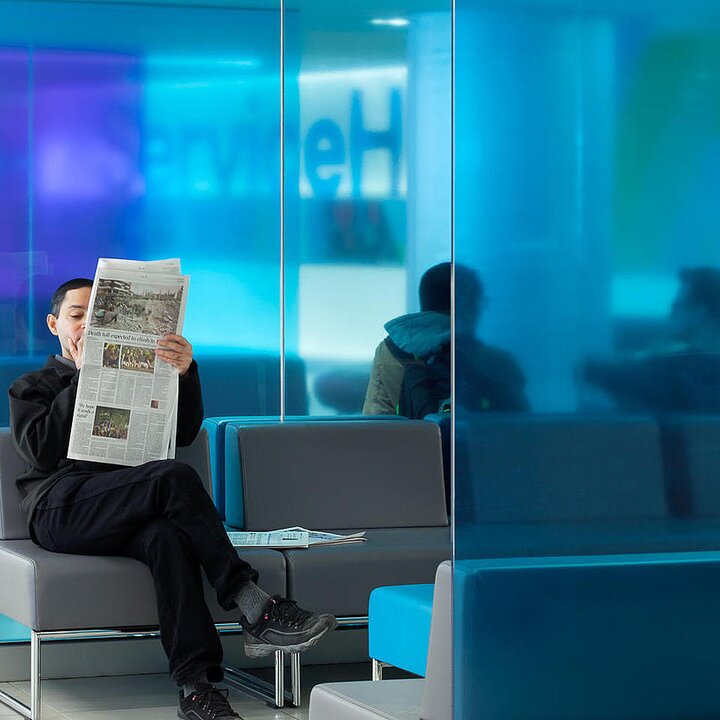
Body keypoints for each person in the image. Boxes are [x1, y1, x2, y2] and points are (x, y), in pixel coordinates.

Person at [8, 278, 336, 720]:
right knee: (173, 478)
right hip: (60, 506)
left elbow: (181, 434)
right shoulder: (34, 385)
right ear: (54, 324)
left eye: (96, 315)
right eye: (76, 315)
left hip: (130, 503)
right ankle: (253, 603)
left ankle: (197, 689)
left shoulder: (140, 369)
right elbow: (40, 452)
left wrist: (185, 372)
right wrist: (86, 376)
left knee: (166, 538)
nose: (86, 324)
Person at [363, 262, 528, 417]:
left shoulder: (392, 350)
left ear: (424, 303)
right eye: (480, 302)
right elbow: (521, 430)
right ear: (468, 306)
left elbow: (376, 422)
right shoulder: (499, 362)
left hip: (412, 447)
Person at [583, 267, 720, 412]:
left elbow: (591, 369)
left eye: (677, 307)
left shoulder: (675, 368)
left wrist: (642, 357)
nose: (670, 315)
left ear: (701, 311)